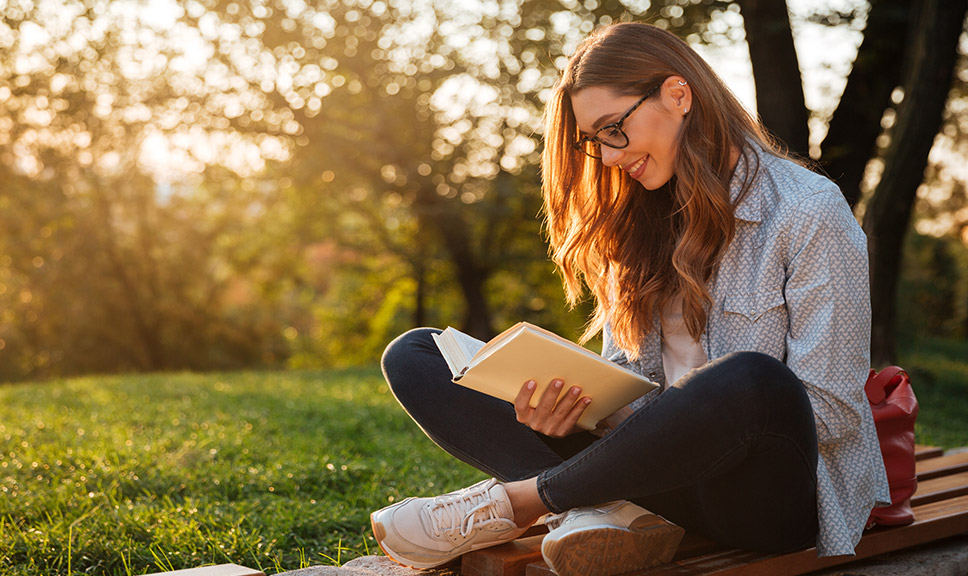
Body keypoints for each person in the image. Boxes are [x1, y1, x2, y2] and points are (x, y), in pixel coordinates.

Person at [369, 21, 889, 576]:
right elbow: (625, 377)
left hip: (762, 499)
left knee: (751, 379)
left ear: (677, 94)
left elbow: (831, 411)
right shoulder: (637, 219)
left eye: (613, 128)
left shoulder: (808, 211)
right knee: (417, 354)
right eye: (593, 141)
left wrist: (675, 427)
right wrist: (576, 409)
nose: (609, 157)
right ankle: (601, 508)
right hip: (648, 481)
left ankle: (521, 502)